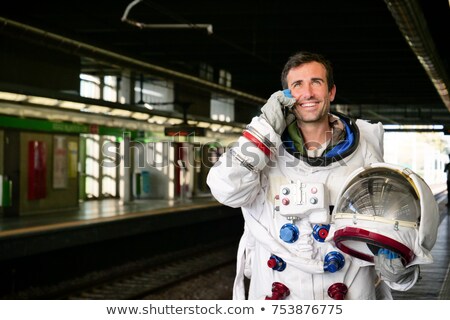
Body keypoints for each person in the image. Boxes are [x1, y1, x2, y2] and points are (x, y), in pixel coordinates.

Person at [207, 51, 420, 299]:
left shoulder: (365, 147)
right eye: (297, 85)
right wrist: (264, 129)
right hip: (276, 293)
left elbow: (388, 225)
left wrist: (398, 269)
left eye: (316, 82)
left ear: (330, 92)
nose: (307, 93)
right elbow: (225, 190)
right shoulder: (263, 148)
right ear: (285, 96)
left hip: (349, 293)